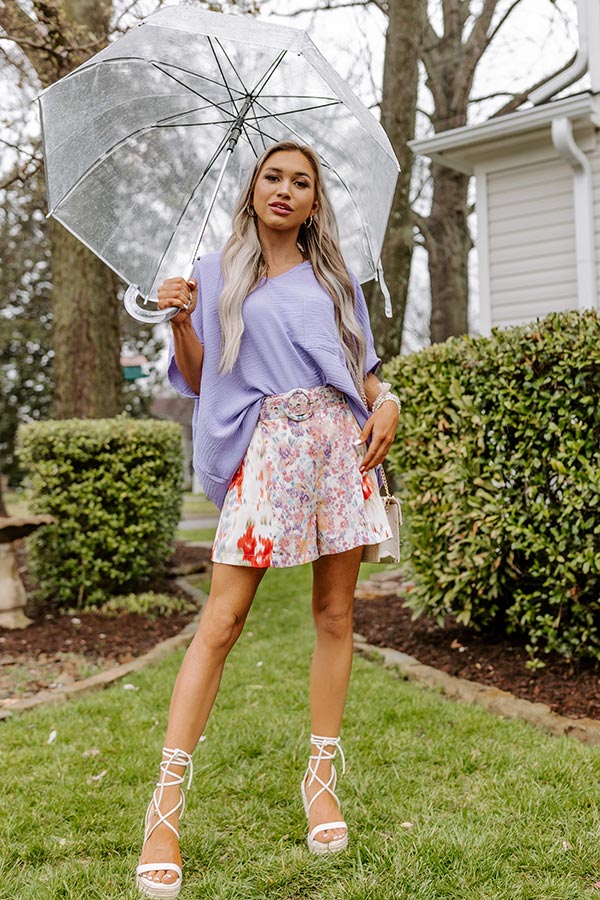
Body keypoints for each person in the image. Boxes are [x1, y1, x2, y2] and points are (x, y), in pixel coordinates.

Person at [136, 140, 400, 898]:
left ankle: (321, 781)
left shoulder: (336, 280)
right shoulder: (214, 273)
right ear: (252, 189)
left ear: (315, 203)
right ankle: (164, 811)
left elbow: (362, 372)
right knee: (221, 622)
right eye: (273, 177)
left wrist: (387, 401)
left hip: (338, 448)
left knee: (336, 614)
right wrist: (181, 321)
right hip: (267, 448)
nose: (285, 189)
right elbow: (199, 380)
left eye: (301, 182)